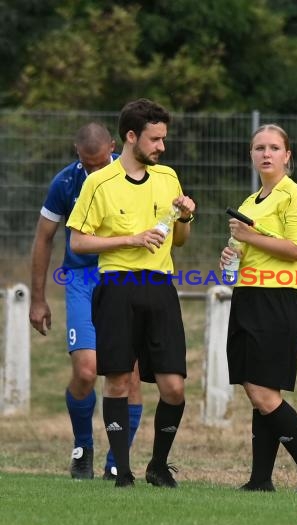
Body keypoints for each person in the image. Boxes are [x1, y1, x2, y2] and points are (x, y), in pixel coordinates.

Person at [67, 99, 196, 488]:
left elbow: (180, 241)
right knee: (119, 380)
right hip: (117, 288)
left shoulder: (168, 178)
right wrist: (131, 239)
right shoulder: (98, 183)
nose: (161, 147)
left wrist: (186, 217)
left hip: (160, 289)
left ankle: (158, 464)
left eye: (163, 139)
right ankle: (121, 470)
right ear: (131, 136)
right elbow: (78, 243)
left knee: (174, 387)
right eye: (155, 139)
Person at [220, 123, 297, 493]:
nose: (265, 154)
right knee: (257, 390)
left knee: (264, 392)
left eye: (273, 148)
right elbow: (243, 251)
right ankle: (260, 479)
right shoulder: (250, 203)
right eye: (258, 148)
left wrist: (251, 236)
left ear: (287, 155)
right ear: (251, 155)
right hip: (247, 296)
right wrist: (231, 255)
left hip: (278, 300)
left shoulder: (295, 197)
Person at [29, 122, 143, 480]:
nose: (94, 169)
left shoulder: (135, 177)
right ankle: (82, 447)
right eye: (86, 163)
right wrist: (38, 299)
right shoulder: (65, 183)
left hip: (123, 277)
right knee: (86, 371)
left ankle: (116, 459)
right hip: (81, 280)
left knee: (131, 375)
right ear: (77, 154)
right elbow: (44, 238)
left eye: (100, 162)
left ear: (113, 146)